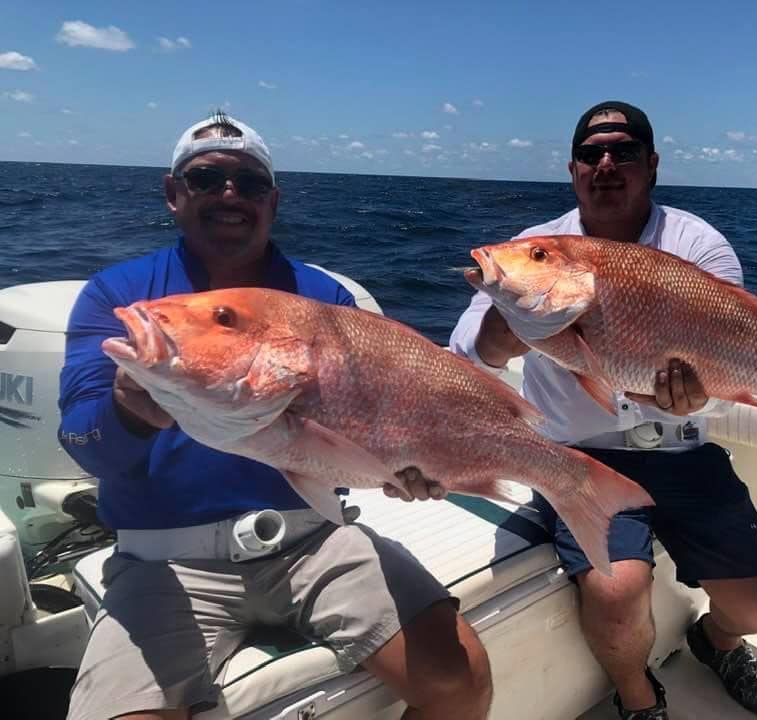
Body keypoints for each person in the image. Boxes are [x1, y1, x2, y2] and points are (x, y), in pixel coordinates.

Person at [59, 111, 492, 720]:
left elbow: (373, 430)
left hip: (313, 536)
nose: (229, 195)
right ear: (173, 193)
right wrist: (129, 409)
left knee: (460, 680)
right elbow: (84, 444)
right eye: (207, 179)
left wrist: (409, 466)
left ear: (273, 200)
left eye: (249, 183)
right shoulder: (120, 297)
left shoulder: (324, 299)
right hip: (165, 562)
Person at [450, 101, 757, 719]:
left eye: (623, 150)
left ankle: (717, 641)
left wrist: (702, 395)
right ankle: (638, 699)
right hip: (579, 457)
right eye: (591, 153)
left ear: (651, 164)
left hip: (683, 448)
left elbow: (732, 351)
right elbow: (466, 357)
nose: (606, 163)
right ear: (573, 168)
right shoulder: (536, 247)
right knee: (615, 589)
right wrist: (512, 319)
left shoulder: (696, 244)